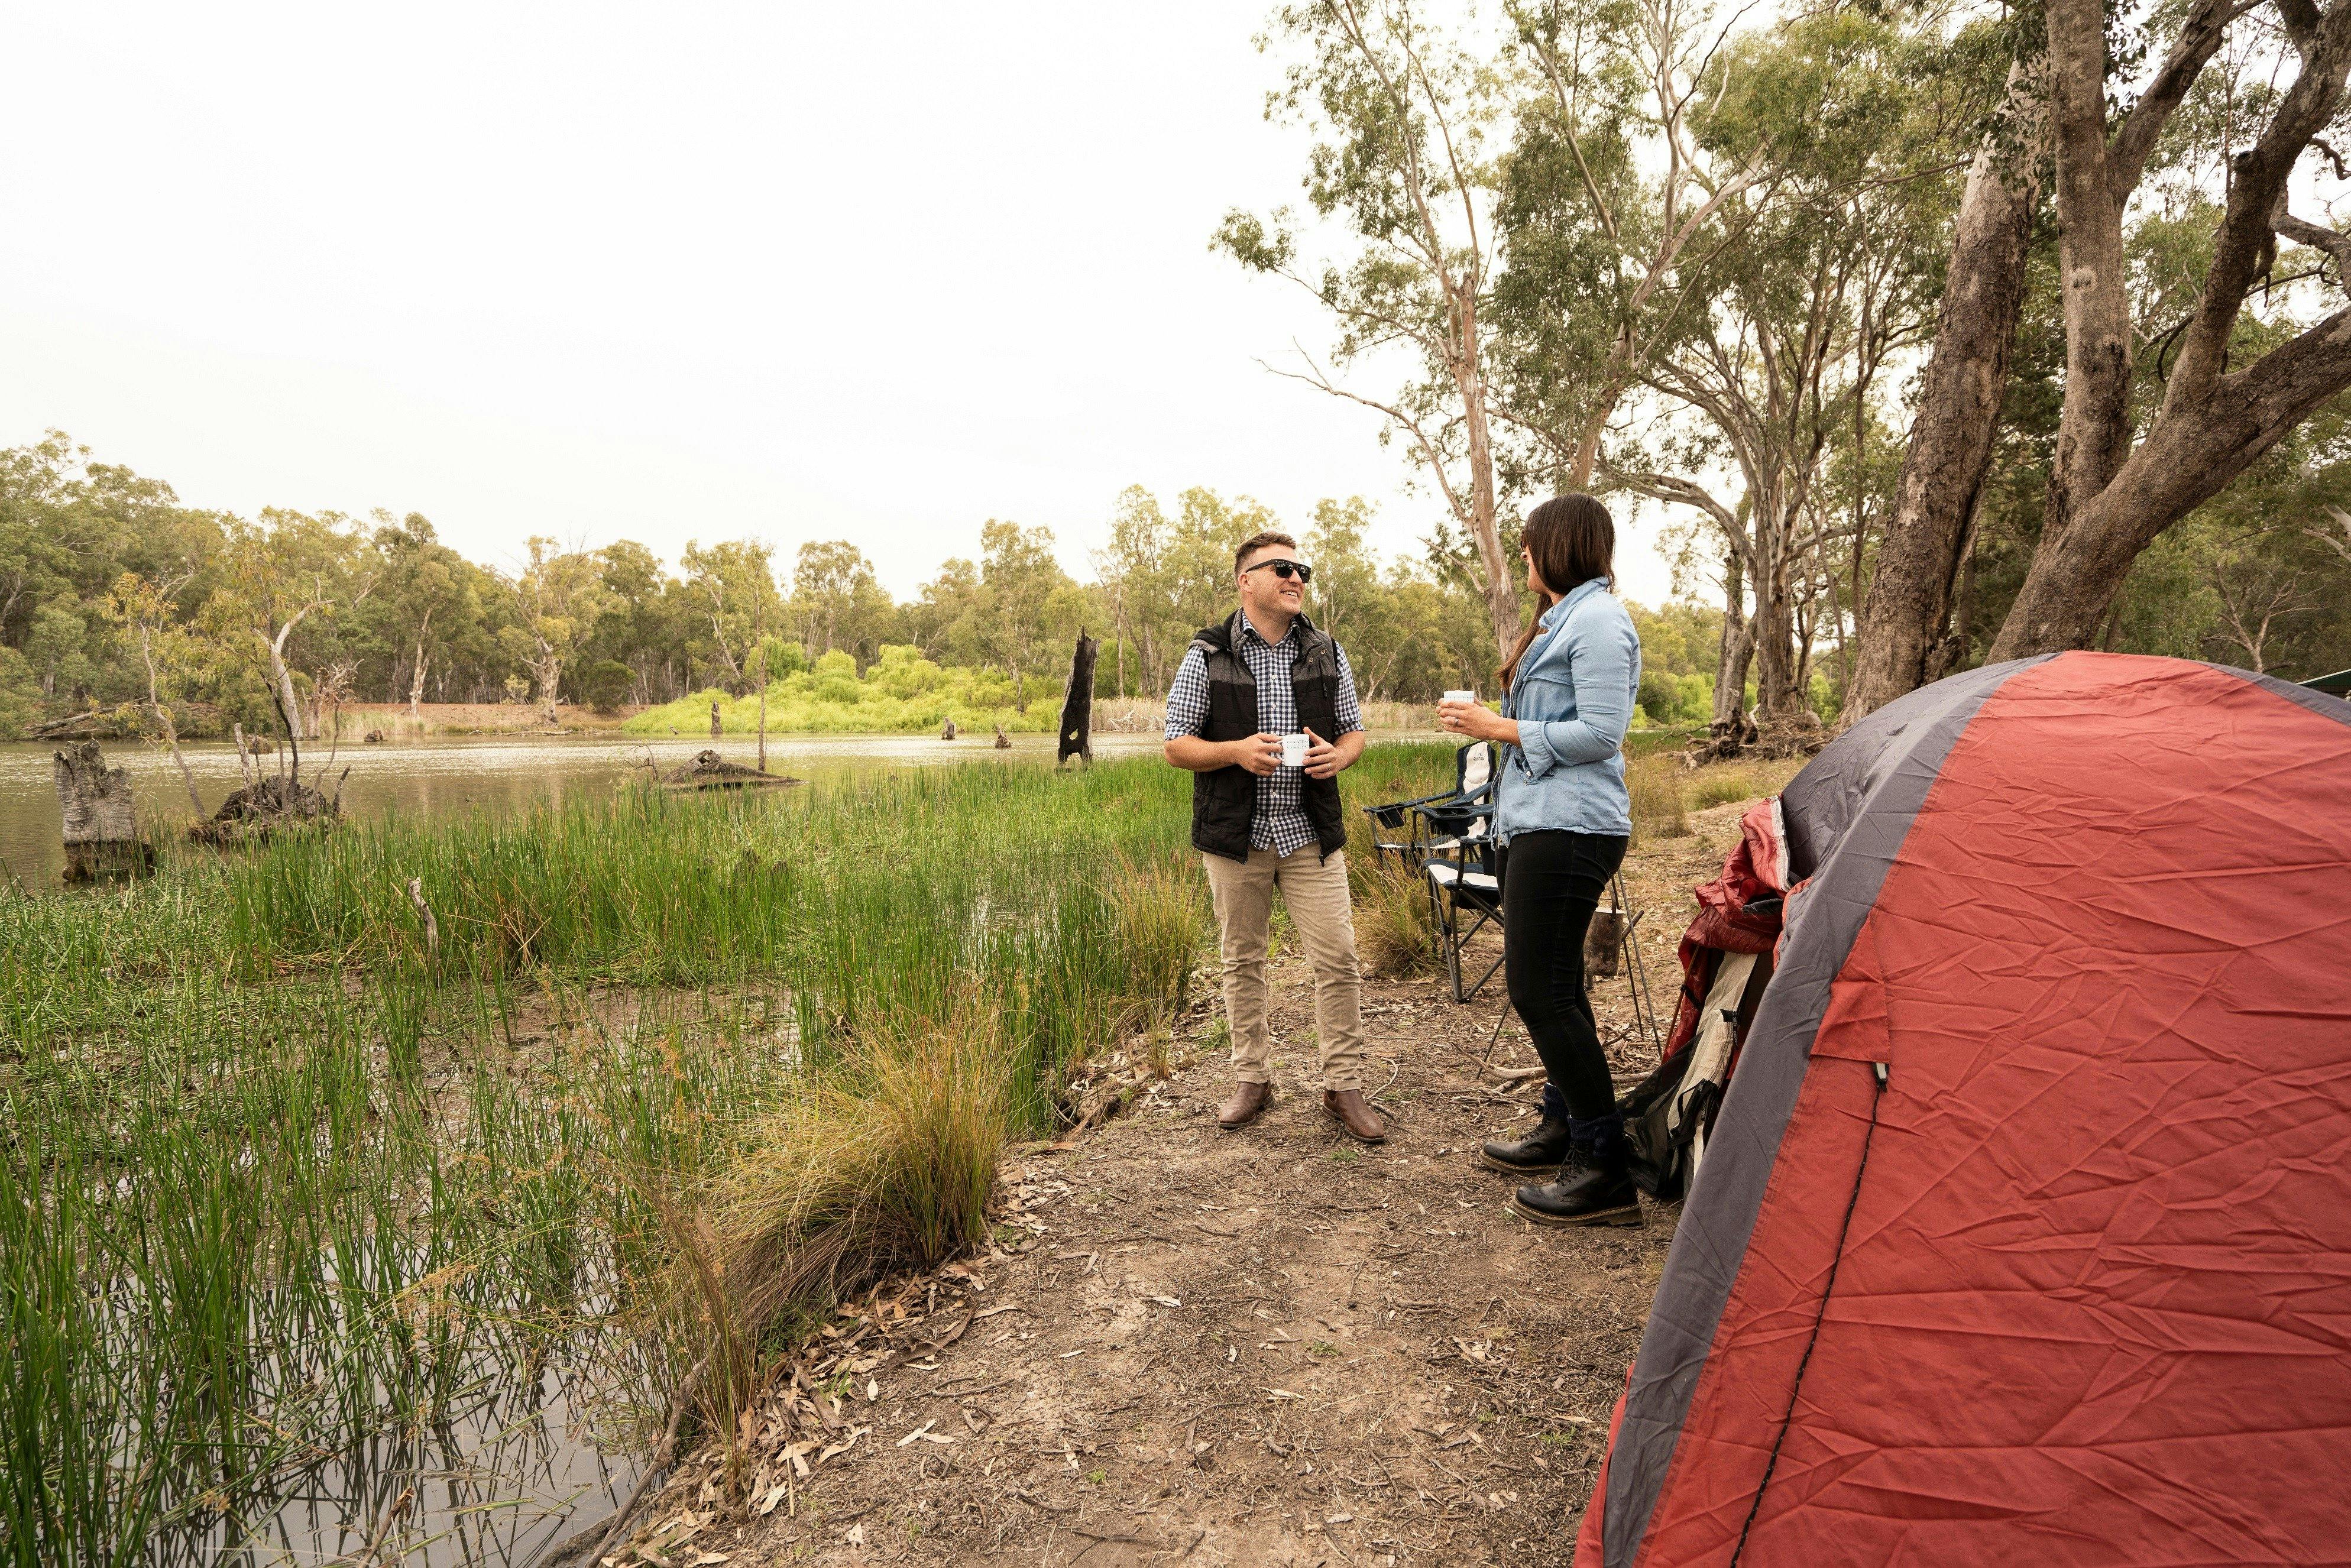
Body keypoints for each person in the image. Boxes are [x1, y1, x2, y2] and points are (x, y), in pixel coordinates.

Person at [1437, 495, 1643, 1226]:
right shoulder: (1563, 619)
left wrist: (1499, 726)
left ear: (1557, 546)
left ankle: (1605, 1169)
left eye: (1528, 544)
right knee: (1555, 986)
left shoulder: (1597, 621)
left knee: (1538, 989)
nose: (1522, 555)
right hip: (1538, 823)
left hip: (1573, 827)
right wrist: (1495, 733)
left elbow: (1601, 733)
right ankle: (1564, 1128)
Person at [1163, 531, 1384, 1143]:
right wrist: (1235, 751)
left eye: (1302, 570)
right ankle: (1251, 1080)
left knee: (1337, 958)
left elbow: (1354, 731)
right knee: (1242, 961)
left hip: (1310, 833)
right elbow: (1176, 744)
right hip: (1236, 838)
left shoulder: (1325, 650)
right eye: (1282, 569)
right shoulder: (1205, 654)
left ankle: (1343, 1087)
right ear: (1247, 581)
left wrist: (1338, 758)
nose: (1296, 579)